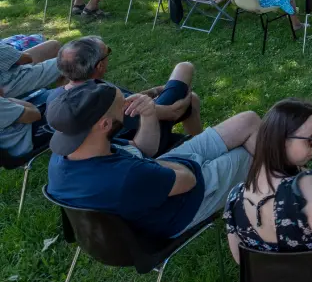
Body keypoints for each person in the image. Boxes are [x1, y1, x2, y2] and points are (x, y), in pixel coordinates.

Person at [46, 81, 261, 239]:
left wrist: (149, 114)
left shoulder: (70, 152)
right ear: (104, 125)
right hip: (183, 203)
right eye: (123, 107)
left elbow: (141, 151)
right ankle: (281, 201)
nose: (127, 110)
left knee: (248, 120)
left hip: (159, 180)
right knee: (250, 153)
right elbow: (187, 180)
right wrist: (157, 166)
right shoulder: (126, 175)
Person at [224, 99, 312, 265]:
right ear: (283, 142)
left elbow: (242, 261)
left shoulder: (234, 199)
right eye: (311, 139)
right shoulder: (303, 187)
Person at [51, 37, 202, 157]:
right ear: (99, 66)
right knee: (184, 68)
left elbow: (128, 100)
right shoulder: (105, 98)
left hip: (105, 142)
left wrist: (156, 90)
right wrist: (185, 93)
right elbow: (172, 112)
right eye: (107, 52)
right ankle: (201, 148)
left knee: (192, 101)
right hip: (144, 138)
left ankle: (198, 144)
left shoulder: (59, 99)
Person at [0, 91, 50, 160]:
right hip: (26, 137)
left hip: (11, 142)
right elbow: (35, 115)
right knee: (62, 94)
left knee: (49, 93)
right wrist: (9, 100)